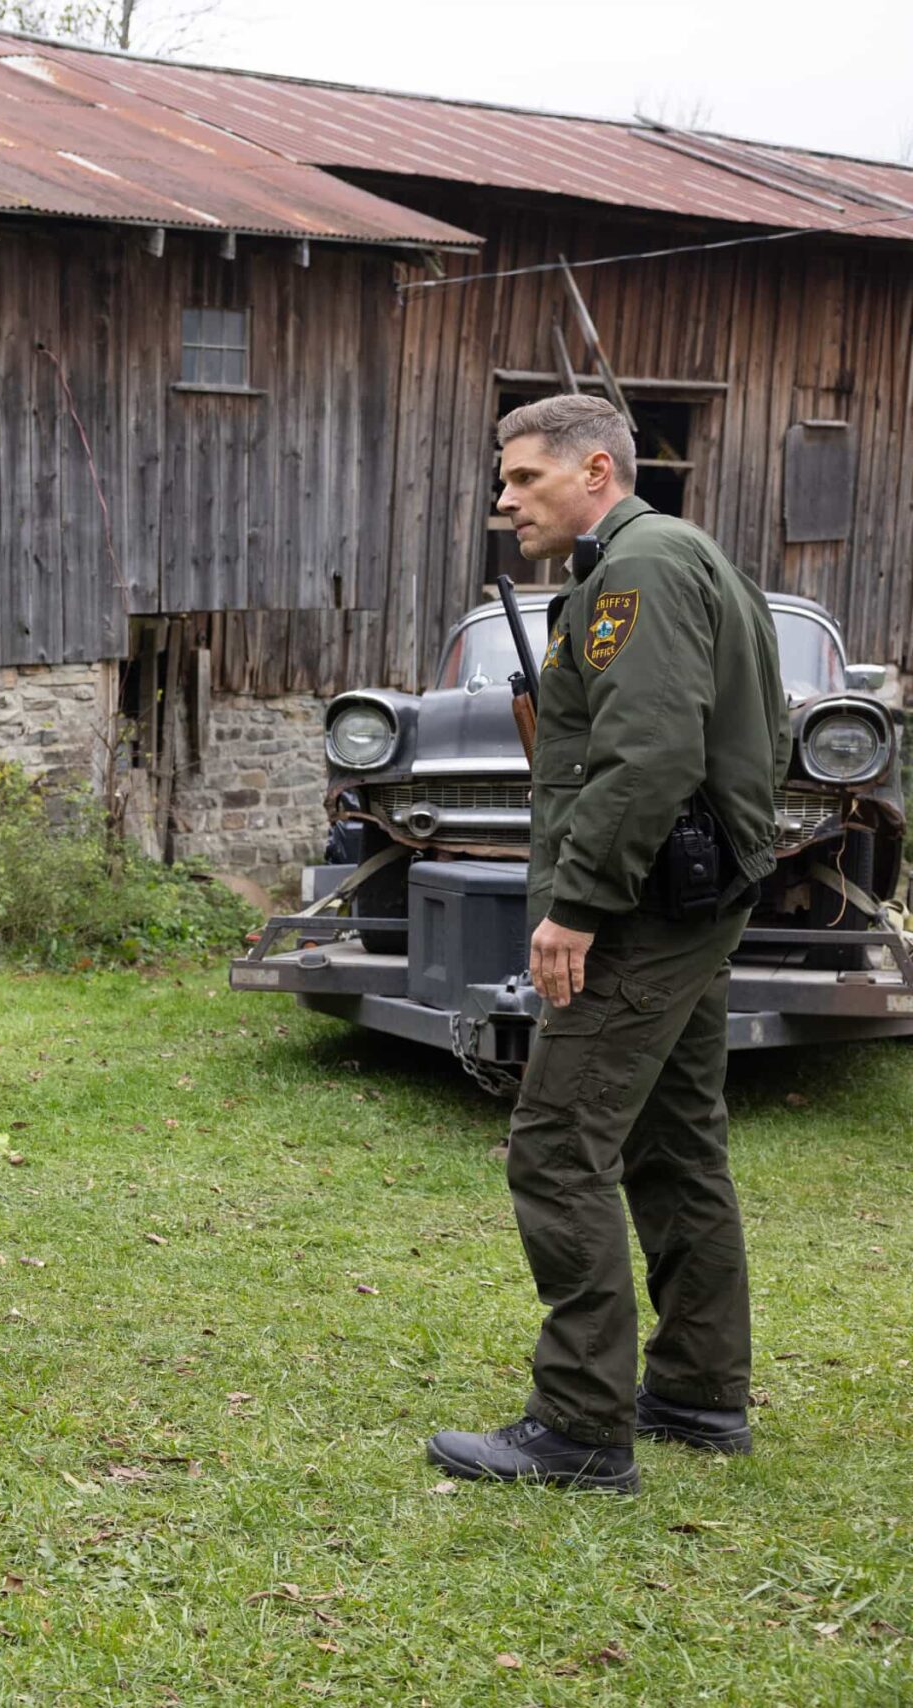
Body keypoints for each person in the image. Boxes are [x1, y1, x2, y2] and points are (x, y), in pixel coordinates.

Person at [426, 394, 787, 1494]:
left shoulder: (637, 568)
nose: (503, 500)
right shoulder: (659, 559)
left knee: (555, 1142)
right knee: (674, 1143)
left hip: (637, 906)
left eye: (522, 478)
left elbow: (646, 757)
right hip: (683, 895)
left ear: (594, 469)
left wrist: (575, 905)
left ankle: (580, 1426)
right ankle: (695, 1389)